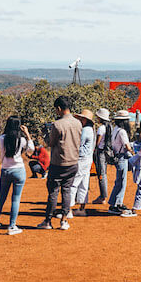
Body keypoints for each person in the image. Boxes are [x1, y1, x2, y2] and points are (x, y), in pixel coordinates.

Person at [37, 96, 82, 230]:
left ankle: (47, 221)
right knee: (66, 191)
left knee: (53, 192)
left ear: (59, 109)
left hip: (59, 163)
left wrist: (46, 134)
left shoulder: (57, 125)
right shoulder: (78, 123)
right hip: (73, 162)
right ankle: (64, 220)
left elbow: (50, 143)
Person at [0, 116, 33, 235]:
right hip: (19, 170)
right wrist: (27, 134)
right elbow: (31, 150)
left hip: (5, 169)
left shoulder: (1, 138)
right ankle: (11, 226)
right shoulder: (21, 140)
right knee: (15, 199)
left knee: (1, 198)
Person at [67, 109, 97, 218]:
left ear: (84, 119)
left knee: (74, 183)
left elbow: (79, 145)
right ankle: (82, 208)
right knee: (84, 183)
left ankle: (68, 210)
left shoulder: (85, 130)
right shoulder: (91, 130)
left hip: (82, 159)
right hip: (88, 159)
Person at [107, 110, 136, 217]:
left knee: (119, 180)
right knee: (121, 181)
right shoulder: (123, 132)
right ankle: (116, 204)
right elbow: (127, 146)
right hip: (122, 157)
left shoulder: (116, 129)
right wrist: (133, 152)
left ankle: (115, 202)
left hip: (117, 156)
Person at [91, 108, 111, 204]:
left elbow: (97, 143)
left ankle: (103, 196)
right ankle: (103, 195)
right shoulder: (109, 127)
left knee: (101, 175)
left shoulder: (101, 128)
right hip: (106, 153)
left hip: (100, 152)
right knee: (104, 174)